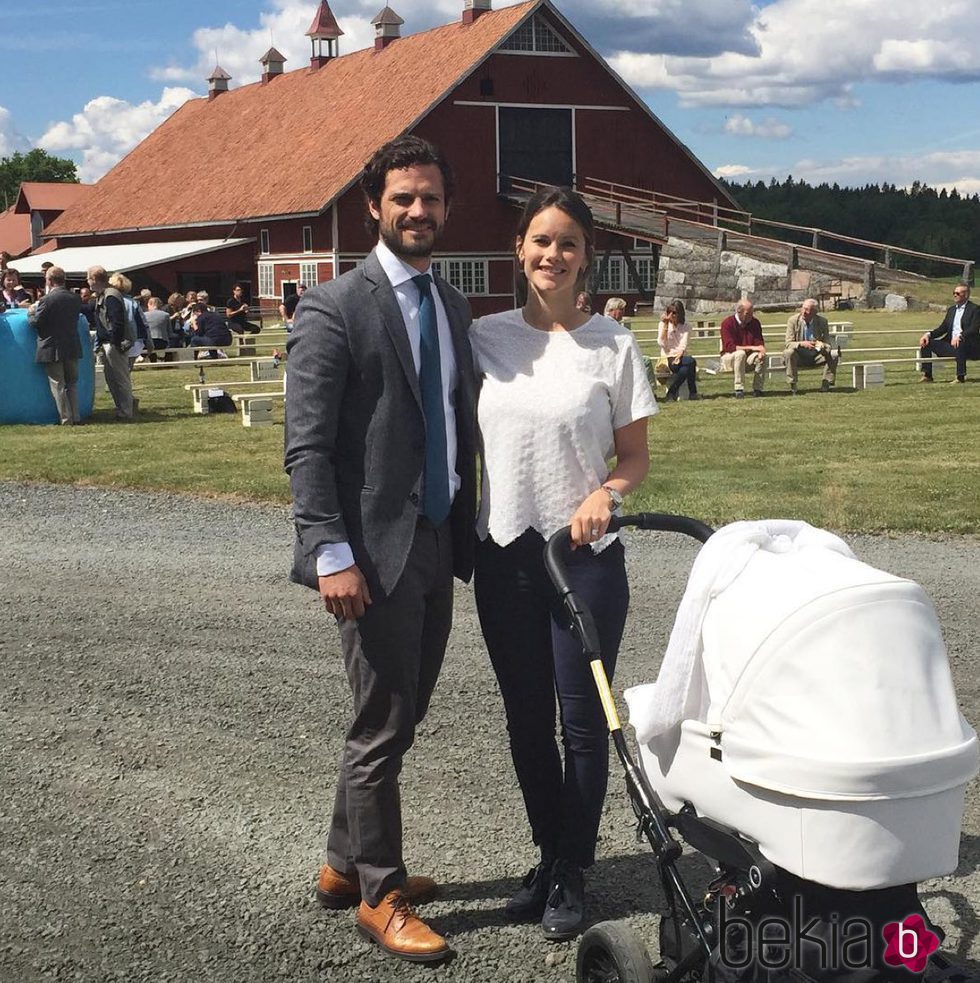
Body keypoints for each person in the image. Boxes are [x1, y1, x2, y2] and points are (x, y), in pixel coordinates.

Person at [284, 135, 476, 964]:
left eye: (430, 197)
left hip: (439, 540)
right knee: (381, 720)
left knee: (398, 712)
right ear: (373, 205)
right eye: (403, 198)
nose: (418, 211)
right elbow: (307, 445)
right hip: (370, 551)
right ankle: (380, 890)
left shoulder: (453, 304)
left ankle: (340, 863)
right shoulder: (334, 306)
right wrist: (328, 550)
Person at [470, 186, 656, 941]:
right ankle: (549, 856)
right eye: (541, 240)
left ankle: (573, 869)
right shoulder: (483, 335)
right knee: (525, 721)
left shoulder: (613, 343)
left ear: (586, 256)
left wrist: (607, 492)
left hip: (583, 561)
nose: (553, 255)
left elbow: (635, 457)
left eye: (568, 243)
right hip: (505, 555)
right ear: (520, 248)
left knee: (584, 723)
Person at [28, 265, 83, 425]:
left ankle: (66, 419)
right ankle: (77, 416)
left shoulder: (47, 300)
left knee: (57, 384)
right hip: (71, 344)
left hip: (51, 346)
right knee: (72, 383)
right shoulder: (74, 298)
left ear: (49, 281)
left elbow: (36, 322)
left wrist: (31, 313)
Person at [88, 265, 135, 421]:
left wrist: (115, 343)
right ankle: (120, 409)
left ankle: (126, 411)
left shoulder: (111, 296)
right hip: (107, 343)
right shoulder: (102, 295)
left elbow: (117, 322)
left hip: (114, 343)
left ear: (94, 279)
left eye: (88, 278)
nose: (87, 282)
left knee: (120, 379)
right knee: (111, 379)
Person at [918, 283, 980, 384]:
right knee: (927, 343)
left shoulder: (975, 309)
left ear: (966, 295)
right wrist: (928, 334)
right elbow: (943, 328)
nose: (955, 295)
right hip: (951, 344)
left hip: (969, 346)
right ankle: (927, 375)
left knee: (960, 343)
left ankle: (960, 377)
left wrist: (960, 336)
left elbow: (974, 328)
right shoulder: (951, 310)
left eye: (958, 293)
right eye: (954, 293)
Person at [784, 298, 839, 394]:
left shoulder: (822, 322)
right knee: (788, 352)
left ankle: (826, 383)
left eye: (807, 310)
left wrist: (819, 345)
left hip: (816, 355)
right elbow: (788, 343)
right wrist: (802, 344)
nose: (803, 312)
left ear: (814, 312)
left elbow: (828, 344)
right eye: (803, 308)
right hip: (799, 356)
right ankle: (793, 384)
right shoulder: (793, 320)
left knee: (834, 354)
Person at [720, 299, 766, 398]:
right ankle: (739, 389)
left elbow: (759, 342)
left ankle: (758, 389)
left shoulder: (755, 323)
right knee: (740, 354)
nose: (751, 316)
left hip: (748, 357)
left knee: (760, 357)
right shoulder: (727, 323)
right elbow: (729, 347)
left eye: (752, 313)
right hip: (729, 357)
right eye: (748, 313)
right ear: (739, 312)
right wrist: (752, 347)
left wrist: (761, 350)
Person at [658, 299, 698, 401]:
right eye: (668, 312)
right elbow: (663, 344)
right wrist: (666, 325)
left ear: (680, 313)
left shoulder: (686, 327)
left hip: (681, 355)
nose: (671, 315)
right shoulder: (662, 325)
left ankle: (672, 391)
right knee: (691, 362)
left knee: (687, 366)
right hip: (668, 356)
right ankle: (693, 392)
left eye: (674, 313)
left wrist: (679, 357)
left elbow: (683, 345)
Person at [144, 296, 172, 362]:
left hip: (148, 343)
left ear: (150, 304)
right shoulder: (166, 315)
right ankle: (169, 361)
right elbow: (169, 332)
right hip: (162, 342)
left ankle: (153, 361)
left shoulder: (144, 315)